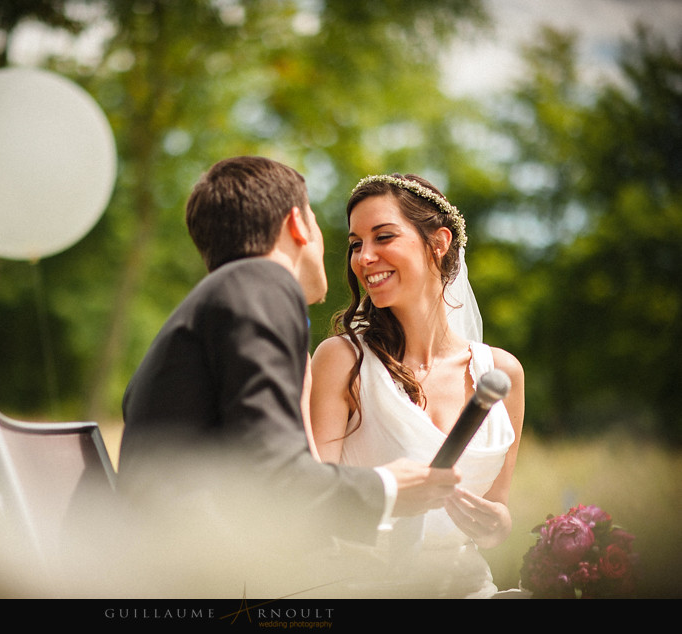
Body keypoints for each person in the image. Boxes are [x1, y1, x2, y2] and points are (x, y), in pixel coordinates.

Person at [115, 157, 460, 597]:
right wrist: (389, 487)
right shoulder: (262, 284)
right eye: (322, 227)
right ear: (298, 224)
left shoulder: (222, 297)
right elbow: (276, 479)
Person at [310, 173, 525, 598]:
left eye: (382, 237)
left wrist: (498, 524)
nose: (363, 257)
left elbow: (497, 508)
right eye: (355, 244)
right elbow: (313, 503)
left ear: (439, 242)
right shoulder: (343, 361)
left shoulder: (503, 374)